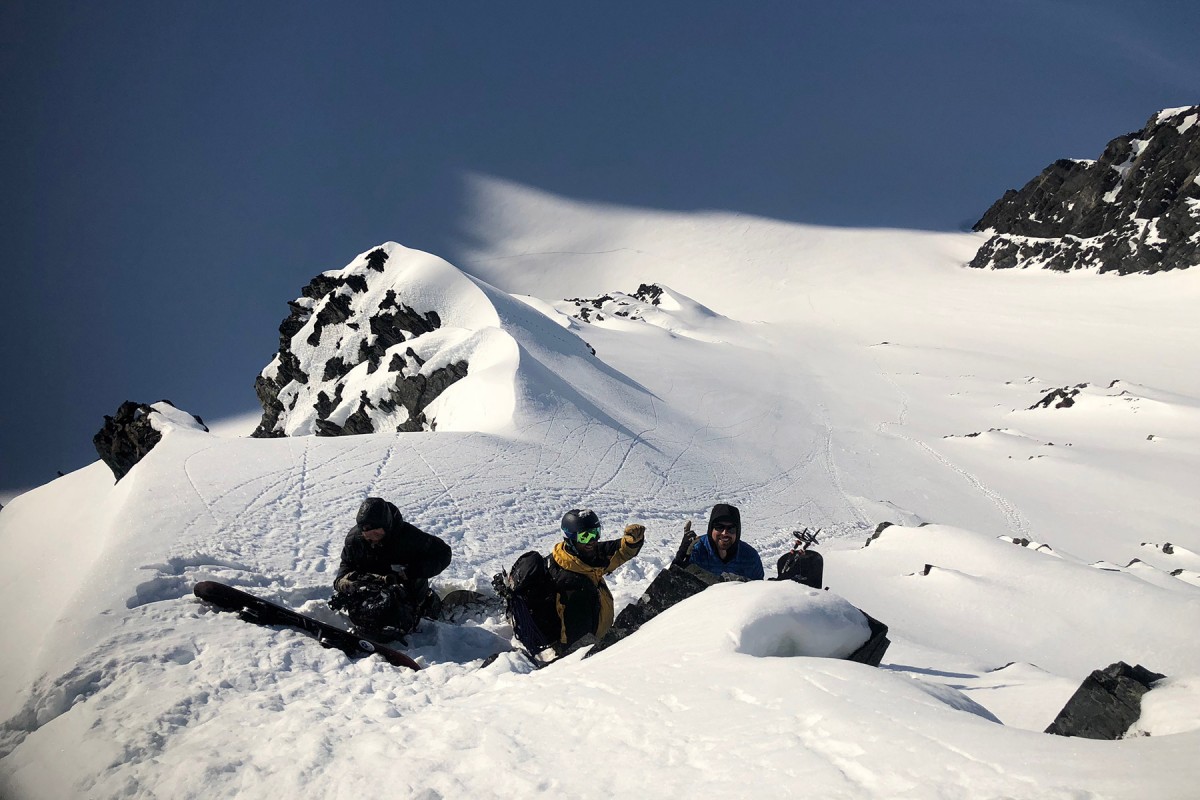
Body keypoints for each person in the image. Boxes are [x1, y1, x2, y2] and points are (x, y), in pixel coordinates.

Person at [514, 508, 643, 653]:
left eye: (595, 533)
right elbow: (577, 646)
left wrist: (631, 543)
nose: (592, 541)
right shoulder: (574, 588)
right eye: (585, 536)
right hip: (592, 650)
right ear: (569, 538)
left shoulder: (575, 556)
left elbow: (612, 551)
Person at [331, 496, 452, 638]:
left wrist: (410, 572)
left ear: (387, 526)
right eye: (367, 535)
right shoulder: (355, 541)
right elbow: (346, 565)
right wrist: (343, 582)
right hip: (370, 592)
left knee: (400, 615)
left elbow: (443, 553)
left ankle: (429, 604)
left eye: (377, 533)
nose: (373, 538)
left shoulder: (408, 537)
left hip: (408, 593)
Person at [676, 503, 764, 581]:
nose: (725, 533)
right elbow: (671, 590)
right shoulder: (696, 551)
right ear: (711, 529)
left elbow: (759, 591)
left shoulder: (750, 557)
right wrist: (680, 559)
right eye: (719, 527)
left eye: (731, 528)